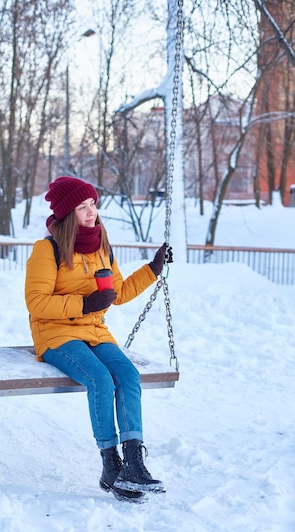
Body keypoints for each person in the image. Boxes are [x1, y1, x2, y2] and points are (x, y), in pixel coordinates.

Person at [25, 176, 171, 501]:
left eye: (93, 204)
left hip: (95, 331)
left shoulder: (101, 245)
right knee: (101, 380)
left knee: (129, 376)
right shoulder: (46, 249)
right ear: (67, 214)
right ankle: (110, 465)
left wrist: (153, 268)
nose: (91, 212)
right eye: (82, 207)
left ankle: (135, 463)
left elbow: (117, 294)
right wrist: (84, 304)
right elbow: (36, 301)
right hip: (57, 333)